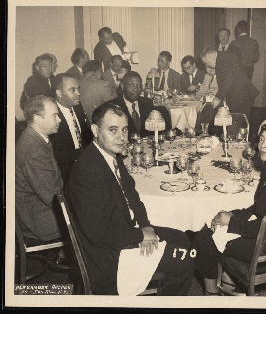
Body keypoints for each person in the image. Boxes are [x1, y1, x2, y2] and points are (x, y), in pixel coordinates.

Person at [65, 102, 194, 295]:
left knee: (182, 238)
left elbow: (133, 198)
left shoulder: (109, 156)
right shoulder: (86, 172)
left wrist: (146, 226)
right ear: (94, 130)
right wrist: (140, 235)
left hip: (125, 231)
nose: (121, 137)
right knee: (185, 261)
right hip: (109, 257)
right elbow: (99, 233)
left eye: (124, 130)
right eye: (112, 130)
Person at [192, 121, 266, 295]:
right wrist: (231, 215)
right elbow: (259, 207)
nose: (263, 145)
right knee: (212, 227)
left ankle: (211, 293)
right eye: (262, 139)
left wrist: (231, 222)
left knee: (206, 237)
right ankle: (228, 284)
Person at [16, 96, 64, 241]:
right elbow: (53, 198)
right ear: (37, 118)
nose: (59, 120)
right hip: (42, 221)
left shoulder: (36, 139)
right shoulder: (33, 150)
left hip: (41, 213)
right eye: (54, 116)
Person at [50, 73, 92, 183]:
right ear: (59, 93)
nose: (78, 93)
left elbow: (86, 136)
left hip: (84, 162)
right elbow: (53, 152)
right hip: (64, 171)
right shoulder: (51, 115)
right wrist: (80, 156)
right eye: (72, 90)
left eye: (78, 89)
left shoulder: (77, 106)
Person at [201, 46, 259, 122]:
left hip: (240, 96)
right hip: (241, 94)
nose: (207, 65)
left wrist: (218, 98)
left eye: (206, 62)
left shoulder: (222, 60)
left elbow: (228, 80)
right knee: (240, 123)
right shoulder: (224, 57)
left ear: (209, 56)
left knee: (237, 123)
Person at [110, 71, 165, 138]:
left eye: (139, 85)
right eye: (131, 85)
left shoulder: (147, 103)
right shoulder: (113, 106)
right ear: (122, 86)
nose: (135, 89)